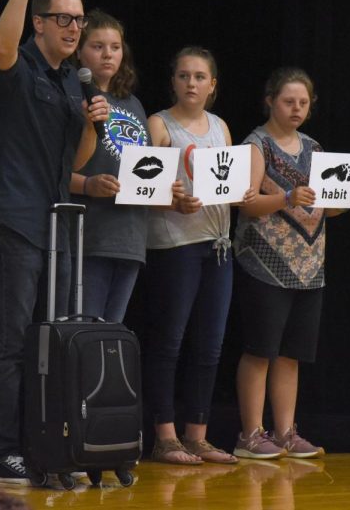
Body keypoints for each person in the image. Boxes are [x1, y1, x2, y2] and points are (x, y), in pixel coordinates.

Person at [0, 0, 109, 485]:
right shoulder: (20, 66)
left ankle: (45, 445)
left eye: (79, 20)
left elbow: (75, 161)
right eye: (64, 19)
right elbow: (3, 47)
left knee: (49, 344)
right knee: (12, 339)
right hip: (14, 217)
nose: (74, 28)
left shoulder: (69, 82)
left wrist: (90, 124)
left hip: (58, 223)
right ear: (40, 23)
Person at [232, 67, 350, 460]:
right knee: (261, 349)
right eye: (288, 101)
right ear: (270, 100)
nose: (296, 108)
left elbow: (326, 209)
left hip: (309, 266)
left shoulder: (315, 148)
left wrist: (347, 200)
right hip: (264, 261)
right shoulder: (257, 144)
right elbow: (248, 203)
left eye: (303, 103)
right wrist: (288, 197)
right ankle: (250, 434)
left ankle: (286, 431)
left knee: (292, 354)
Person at [144, 47, 252, 465]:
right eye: (184, 76)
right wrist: (172, 203)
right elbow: (142, 185)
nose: (192, 83)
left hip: (218, 245)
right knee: (169, 341)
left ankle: (197, 435)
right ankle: (165, 436)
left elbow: (224, 180)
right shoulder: (160, 124)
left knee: (209, 345)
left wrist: (240, 192)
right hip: (175, 245)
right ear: (173, 81)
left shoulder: (221, 127)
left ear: (213, 85)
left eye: (200, 77)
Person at [69, 9, 150, 322]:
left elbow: (145, 165)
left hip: (130, 236)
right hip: (90, 235)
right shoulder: (72, 98)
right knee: (85, 332)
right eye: (98, 46)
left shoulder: (132, 103)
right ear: (79, 52)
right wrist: (88, 185)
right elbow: (52, 171)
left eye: (115, 47)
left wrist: (164, 189)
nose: (108, 54)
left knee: (111, 335)